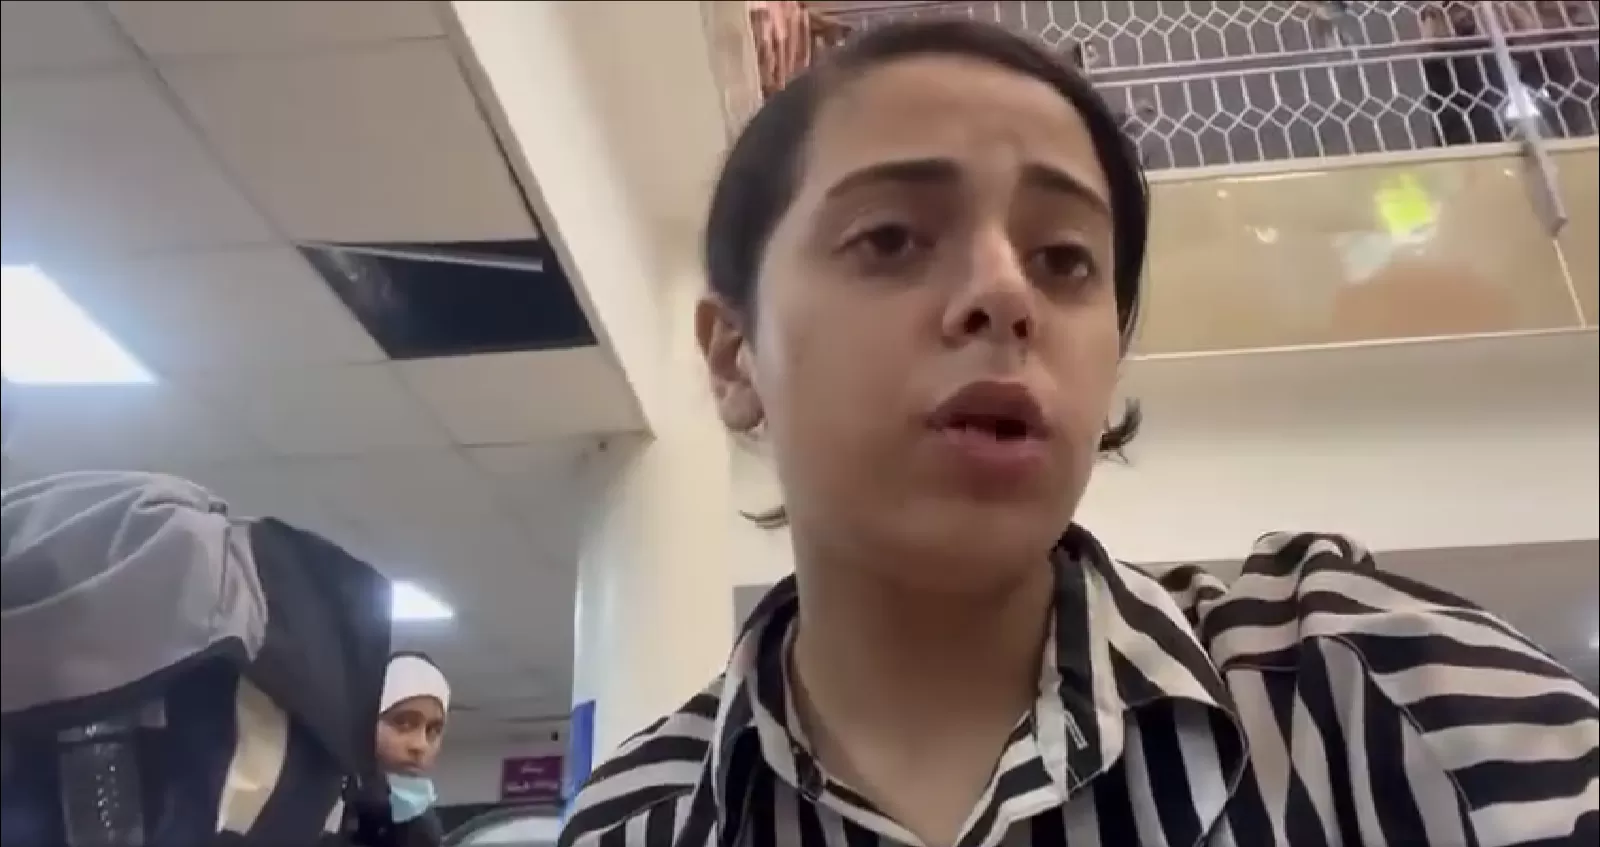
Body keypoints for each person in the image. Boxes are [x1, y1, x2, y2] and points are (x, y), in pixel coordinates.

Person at [561, 17, 1598, 847]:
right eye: (890, 237)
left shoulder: (1373, 684)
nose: (1006, 294)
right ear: (733, 352)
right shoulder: (635, 822)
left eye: (1063, 259)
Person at [351, 652, 450, 847]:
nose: (420, 745)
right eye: (403, 723)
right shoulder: (322, 815)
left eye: (433, 730)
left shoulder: (424, 828)